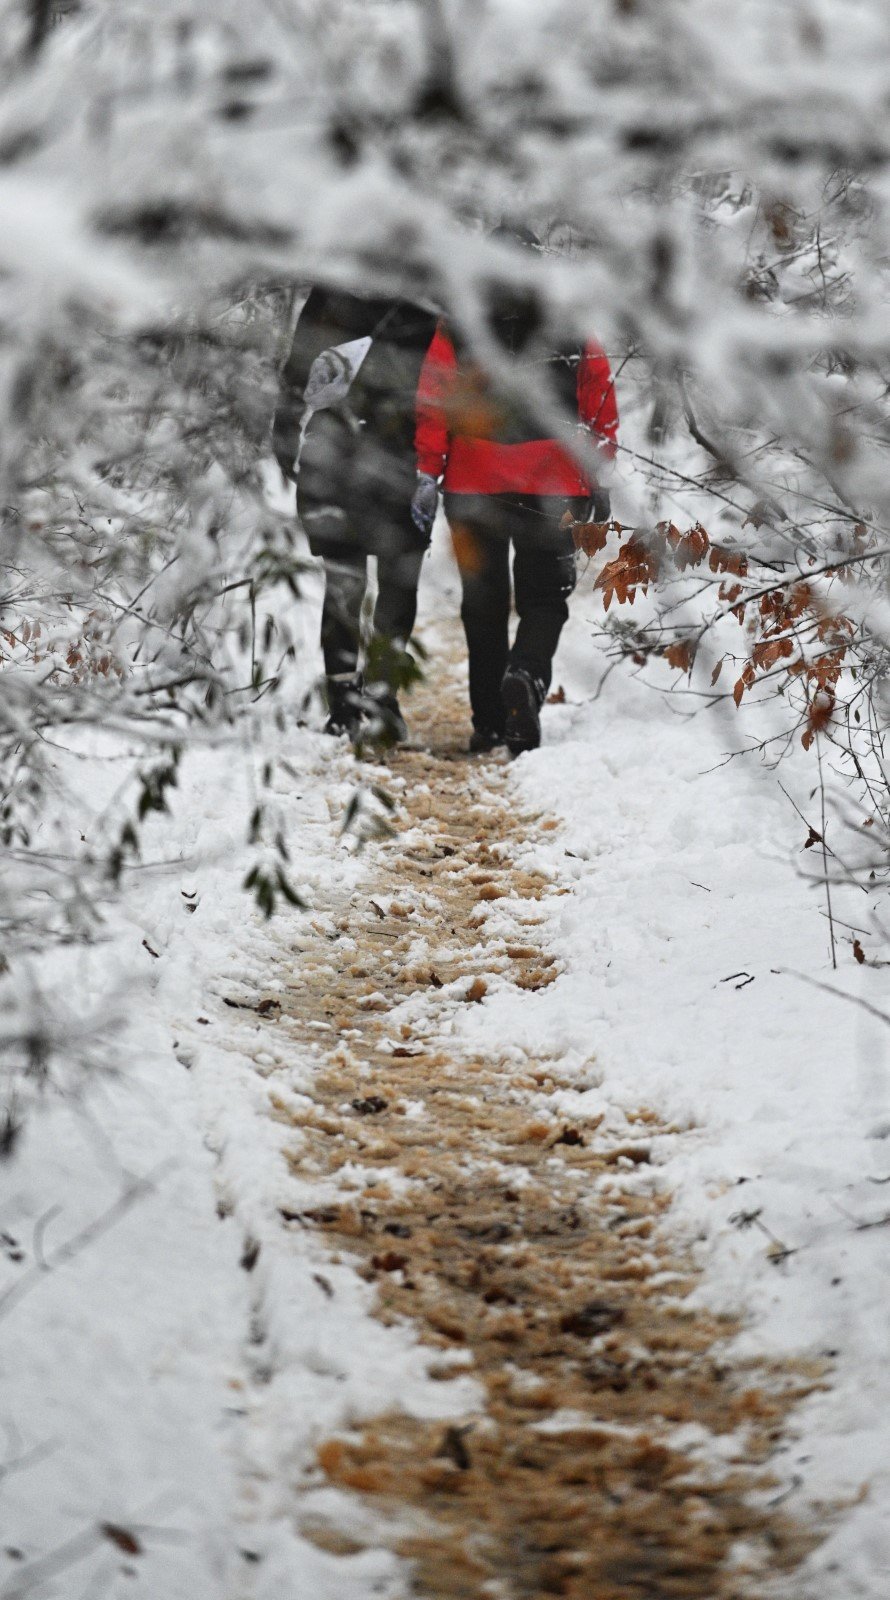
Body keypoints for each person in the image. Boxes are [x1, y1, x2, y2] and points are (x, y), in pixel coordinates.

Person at [412, 253, 618, 755]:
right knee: (545, 597)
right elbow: (598, 400)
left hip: (471, 482)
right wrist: (598, 471)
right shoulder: (569, 321)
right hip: (551, 480)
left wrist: (427, 471)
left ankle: (488, 723)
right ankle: (525, 673)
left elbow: (433, 401)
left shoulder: (460, 324)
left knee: (481, 604)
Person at [272, 286, 439, 739]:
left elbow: (296, 373)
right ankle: (382, 697)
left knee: (343, 582)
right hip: (400, 457)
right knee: (398, 584)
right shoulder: (427, 296)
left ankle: (343, 705)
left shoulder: (333, 290)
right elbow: (444, 382)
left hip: (334, 456)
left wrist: (286, 437)